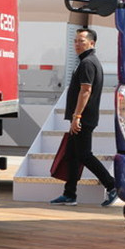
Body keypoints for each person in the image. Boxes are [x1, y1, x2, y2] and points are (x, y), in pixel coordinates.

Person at [50, 28, 118, 207]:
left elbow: (86, 90)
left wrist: (77, 116)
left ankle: (112, 185)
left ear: (92, 43)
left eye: (81, 41)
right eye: (75, 41)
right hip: (81, 118)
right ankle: (69, 194)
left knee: (84, 155)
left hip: (83, 118)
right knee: (72, 155)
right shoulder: (86, 61)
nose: (77, 44)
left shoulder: (88, 63)